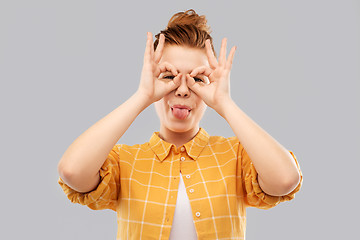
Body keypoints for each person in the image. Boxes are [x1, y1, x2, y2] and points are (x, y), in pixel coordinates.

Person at [57, 9, 303, 240]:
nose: (183, 90)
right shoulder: (125, 161)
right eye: (169, 77)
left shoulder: (235, 156)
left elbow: (285, 180)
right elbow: (72, 171)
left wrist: (225, 104)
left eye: (197, 79)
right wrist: (142, 96)